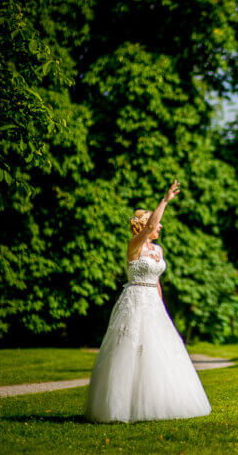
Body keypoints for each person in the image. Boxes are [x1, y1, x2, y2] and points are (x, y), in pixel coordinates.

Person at [85, 180, 211, 423]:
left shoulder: (158, 250)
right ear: (143, 226)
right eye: (155, 223)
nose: (159, 226)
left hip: (153, 302)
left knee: (158, 350)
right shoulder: (134, 246)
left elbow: (157, 281)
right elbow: (154, 222)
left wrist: (162, 307)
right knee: (129, 349)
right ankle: (120, 406)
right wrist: (164, 200)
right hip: (134, 300)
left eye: (158, 222)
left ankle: (162, 401)